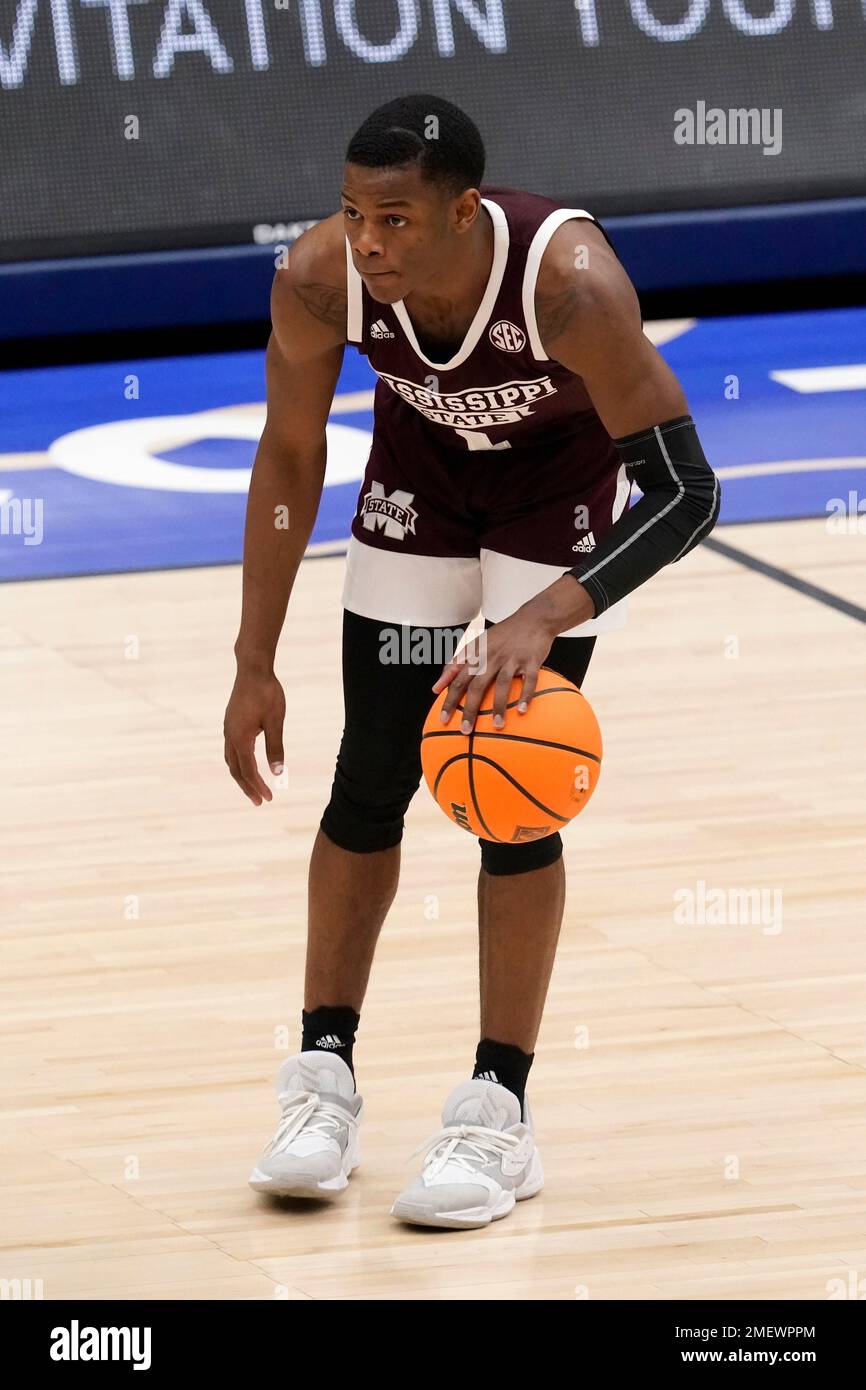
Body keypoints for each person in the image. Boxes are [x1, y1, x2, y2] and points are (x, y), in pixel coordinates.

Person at [225, 94, 720, 1230]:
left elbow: (686, 492)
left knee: (512, 792)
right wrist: (253, 658)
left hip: (553, 507)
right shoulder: (317, 280)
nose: (367, 242)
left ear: (464, 213)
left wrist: (547, 612)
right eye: (354, 213)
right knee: (368, 779)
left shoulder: (569, 288)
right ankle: (322, 1079)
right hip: (419, 500)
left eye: (395, 220)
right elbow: (291, 452)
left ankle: (498, 1107)